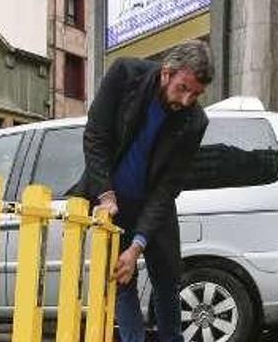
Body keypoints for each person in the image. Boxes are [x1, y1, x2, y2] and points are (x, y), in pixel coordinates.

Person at [72, 40, 213, 342]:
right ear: (166, 73)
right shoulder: (124, 74)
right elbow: (95, 137)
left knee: (167, 282)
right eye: (183, 88)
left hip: (153, 206)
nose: (188, 100)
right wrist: (106, 195)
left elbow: (168, 186)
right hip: (110, 200)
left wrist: (137, 244)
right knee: (122, 280)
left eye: (196, 94)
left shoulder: (195, 121)